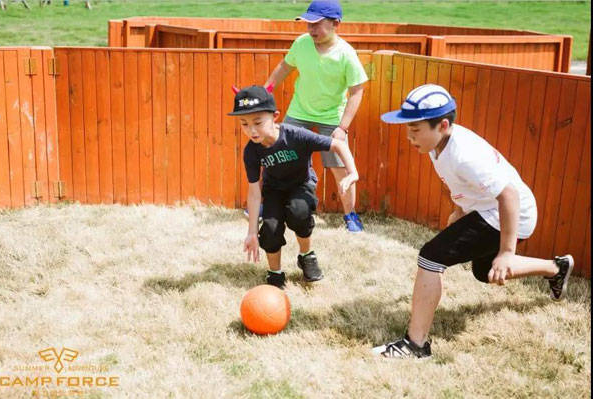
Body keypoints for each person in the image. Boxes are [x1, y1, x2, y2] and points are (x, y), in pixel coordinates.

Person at [372, 84, 574, 358]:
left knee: (431, 257)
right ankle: (556, 268)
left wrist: (507, 252)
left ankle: (415, 345)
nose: (409, 136)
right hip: (487, 209)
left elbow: (509, 196)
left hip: (510, 213)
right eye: (408, 128)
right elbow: (459, 182)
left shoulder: (464, 155)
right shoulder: (437, 145)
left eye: (415, 129)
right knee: (485, 272)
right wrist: (460, 210)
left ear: (442, 125)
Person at [228, 85, 359, 289]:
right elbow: (254, 191)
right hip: (274, 189)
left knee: (299, 213)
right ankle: (275, 273)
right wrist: (252, 231)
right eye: (244, 124)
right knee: (270, 230)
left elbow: (338, 145)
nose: (251, 130)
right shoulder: (251, 151)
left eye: (258, 122)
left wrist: (352, 173)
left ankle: (306, 256)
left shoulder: (295, 135)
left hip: (301, 184)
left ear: (275, 117)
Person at [263, 0, 368, 232]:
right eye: (308, 24)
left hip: (331, 117)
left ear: (336, 24)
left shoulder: (346, 54)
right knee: (279, 157)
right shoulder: (301, 44)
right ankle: (269, 205)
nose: (311, 29)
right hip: (299, 111)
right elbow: (284, 67)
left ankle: (350, 216)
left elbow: (357, 91)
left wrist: (343, 127)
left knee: (339, 166)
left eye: (317, 24)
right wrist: (265, 91)